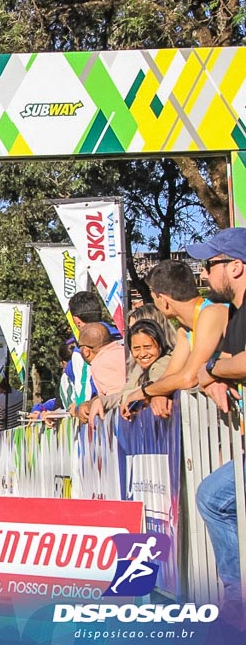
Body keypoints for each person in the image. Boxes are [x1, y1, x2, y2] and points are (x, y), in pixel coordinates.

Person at [183, 228, 246, 617]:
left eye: (211, 264)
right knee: (214, 497)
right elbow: (206, 372)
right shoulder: (234, 313)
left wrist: (215, 369)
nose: (205, 274)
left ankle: (237, 597)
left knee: (213, 498)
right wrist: (214, 375)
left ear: (236, 267)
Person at [122, 259, 228, 418]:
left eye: (153, 298)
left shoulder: (211, 313)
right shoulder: (185, 329)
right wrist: (158, 393)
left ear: (163, 300)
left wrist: (144, 392)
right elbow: (171, 374)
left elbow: (188, 378)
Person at [118, 320, 174, 419]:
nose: (143, 354)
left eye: (148, 347)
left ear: (160, 345)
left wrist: (144, 393)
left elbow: (158, 382)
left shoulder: (163, 362)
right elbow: (126, 391)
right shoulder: (140, 368)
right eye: (136, 348)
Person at [74, 322, 127, 423]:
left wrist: (89, 407)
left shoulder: (100, 363)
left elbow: (115, 397)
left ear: (86, 351)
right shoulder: (123, 351)